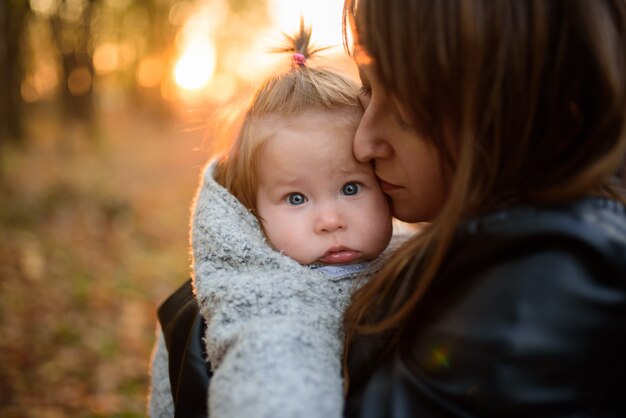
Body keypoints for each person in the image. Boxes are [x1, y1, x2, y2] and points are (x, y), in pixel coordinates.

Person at [340, 0, 626, 416]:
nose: (364, 143)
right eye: (367, 89)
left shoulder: (553, 275)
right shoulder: (511, 250)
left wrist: (218, 341)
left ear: (531, 115)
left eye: (405, 111)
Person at [148, 22, 402, 418]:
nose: (330, 220)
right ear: (253, 209)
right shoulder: (266, 297)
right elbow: (273, 376)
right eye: (296, 198)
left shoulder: (406, 254)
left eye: (351, 188)